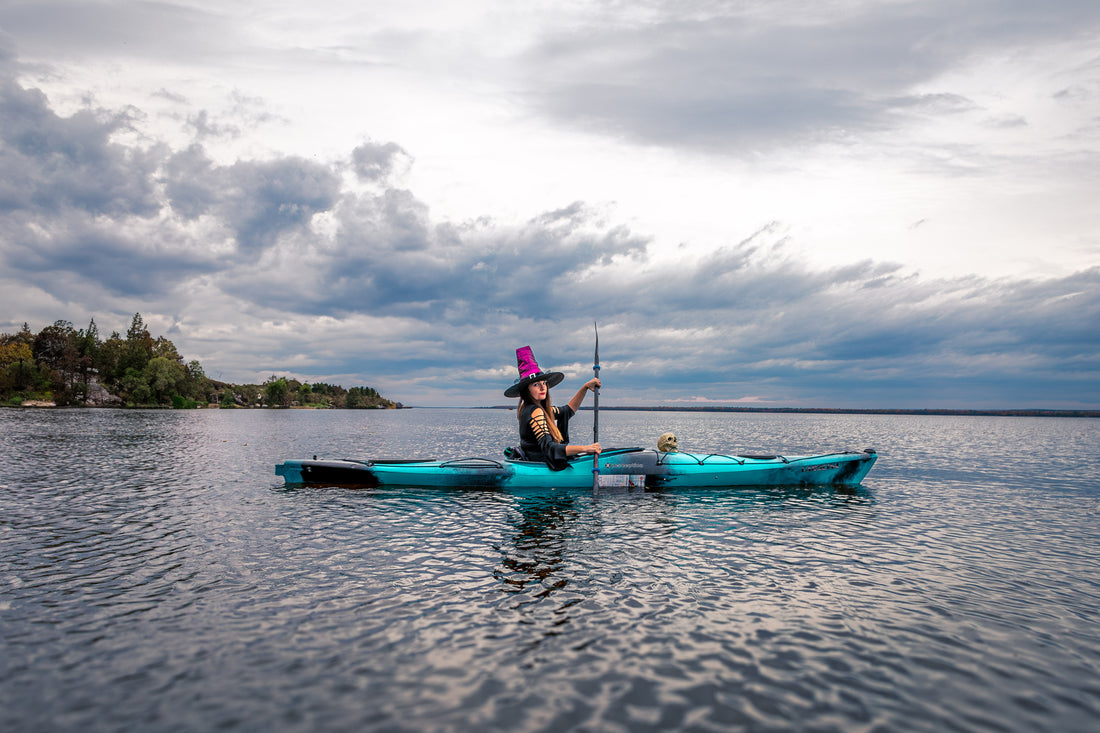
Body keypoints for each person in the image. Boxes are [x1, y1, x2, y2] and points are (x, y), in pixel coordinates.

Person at [504, 345, 601, 469]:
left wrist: (585, 387)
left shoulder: (535, 409)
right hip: (539, 465)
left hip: (535, 461)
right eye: (536, 384)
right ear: (526, 389)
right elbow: (549, 447)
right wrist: (585, 448)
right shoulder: (535, 411)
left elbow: (567, 411)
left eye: (544, 383)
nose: (542, 387)